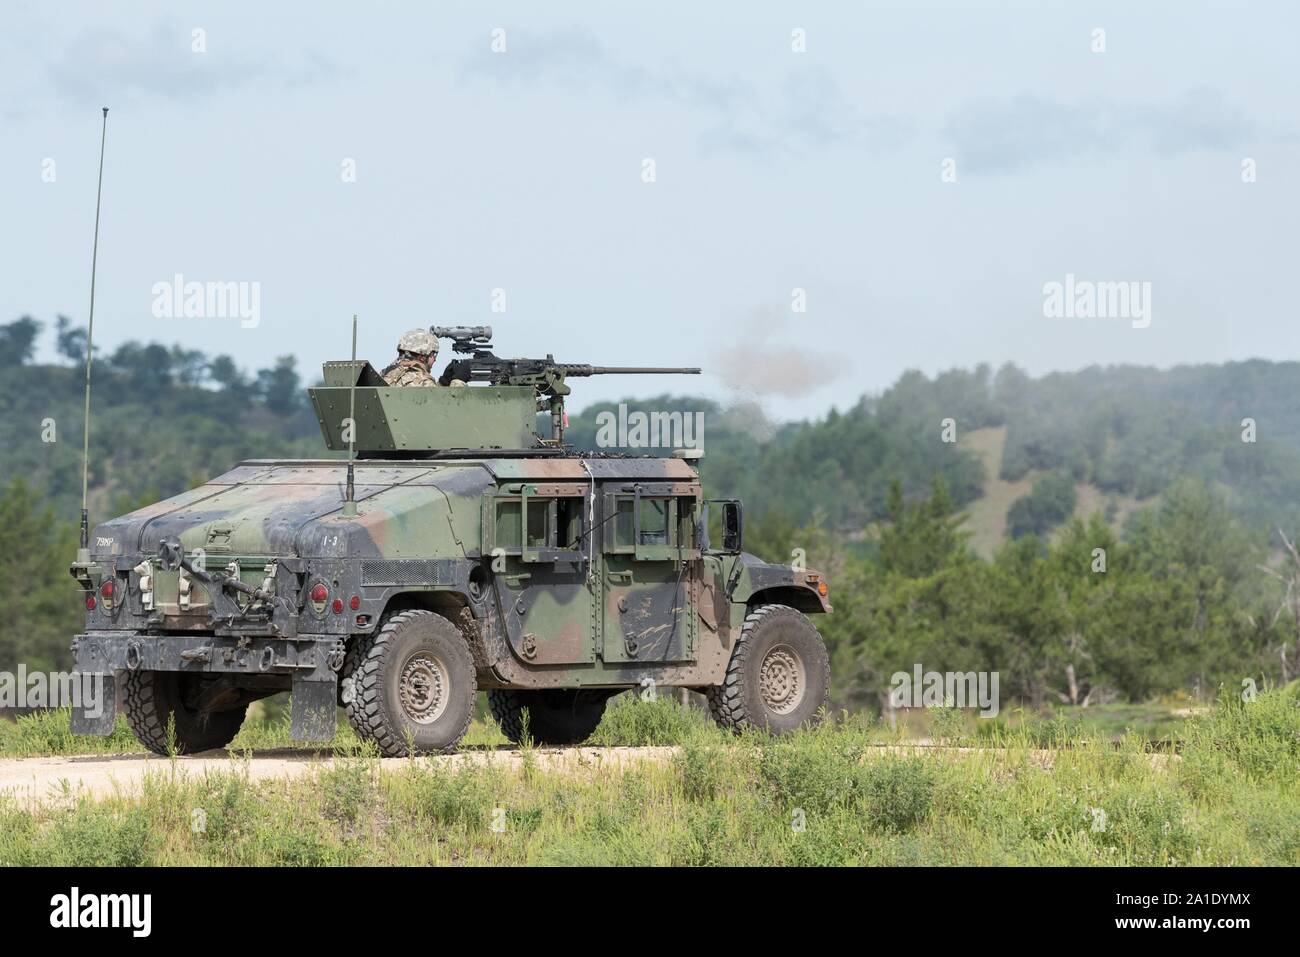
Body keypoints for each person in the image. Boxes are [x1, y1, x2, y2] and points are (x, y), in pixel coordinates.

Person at [382, 329, 461, 387]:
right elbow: (444, 407)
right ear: (422, 358)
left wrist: (443, 383)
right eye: (433, 355)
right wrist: (458, 382)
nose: (435, 360)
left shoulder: (386, 375)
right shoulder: (422, 382)